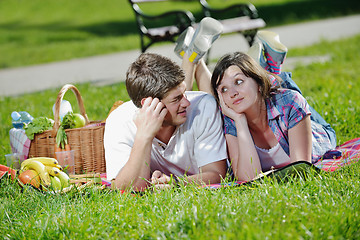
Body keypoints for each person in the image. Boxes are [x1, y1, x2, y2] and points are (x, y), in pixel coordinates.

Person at [186, 30, 337, 181]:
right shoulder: (230, 118)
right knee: (219, 101)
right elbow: (248, 178)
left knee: (285, 93)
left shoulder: (289, 103)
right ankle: (265, 68)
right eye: (224, 89)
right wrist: (240, 122)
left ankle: (270, 72)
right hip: (259, 95)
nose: (232, 93)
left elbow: (300, 168)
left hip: (314, 127)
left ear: (257, 83)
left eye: (238, 81)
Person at [104, 52, 228, 191]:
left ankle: (195, 61)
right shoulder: (119, 121)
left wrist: (176, 183)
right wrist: (144, 136)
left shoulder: (204, 107)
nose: (186, 103)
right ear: (149, 104)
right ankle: (192, 58)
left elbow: (217, 174)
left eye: (184, 93)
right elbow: (128, 188)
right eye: (176, 99)